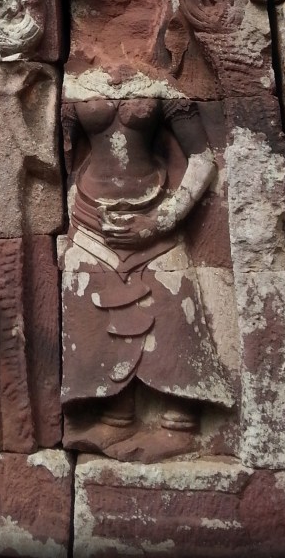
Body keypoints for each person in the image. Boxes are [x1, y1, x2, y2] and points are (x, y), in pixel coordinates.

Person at [61, 93, 234, 462]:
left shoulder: (162, 84)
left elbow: (202, 158)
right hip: (91, 219)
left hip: (156, 218)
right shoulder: (75, 80)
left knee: (170, 313)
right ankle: (116, 416)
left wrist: (161, 221)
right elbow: (62, 156)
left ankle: (179, 424)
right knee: (96, 313)